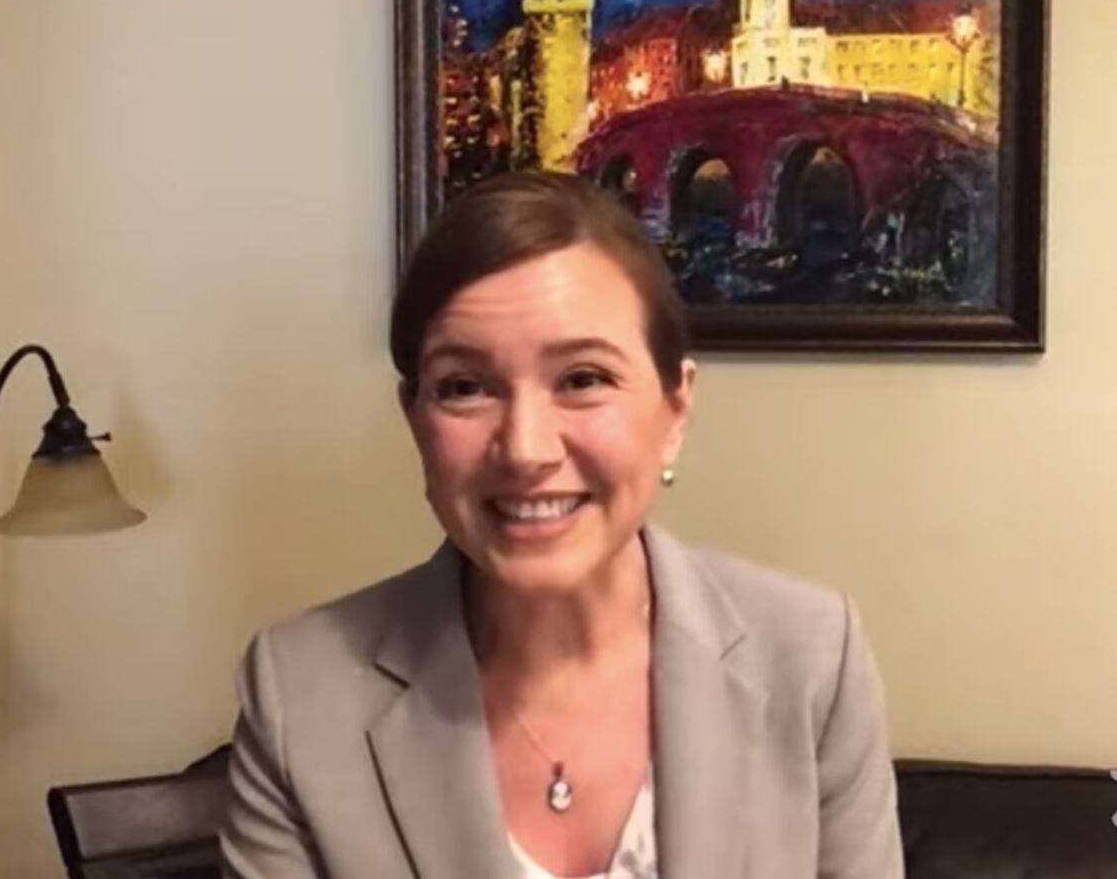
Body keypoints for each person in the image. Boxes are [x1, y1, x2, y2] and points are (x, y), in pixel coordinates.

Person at [220, 172, 903, 878]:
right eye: (464, 387)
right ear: (414, 419)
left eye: (583, 378)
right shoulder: (299, 692)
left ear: (675, 410)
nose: (525, 448)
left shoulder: (813, 659)